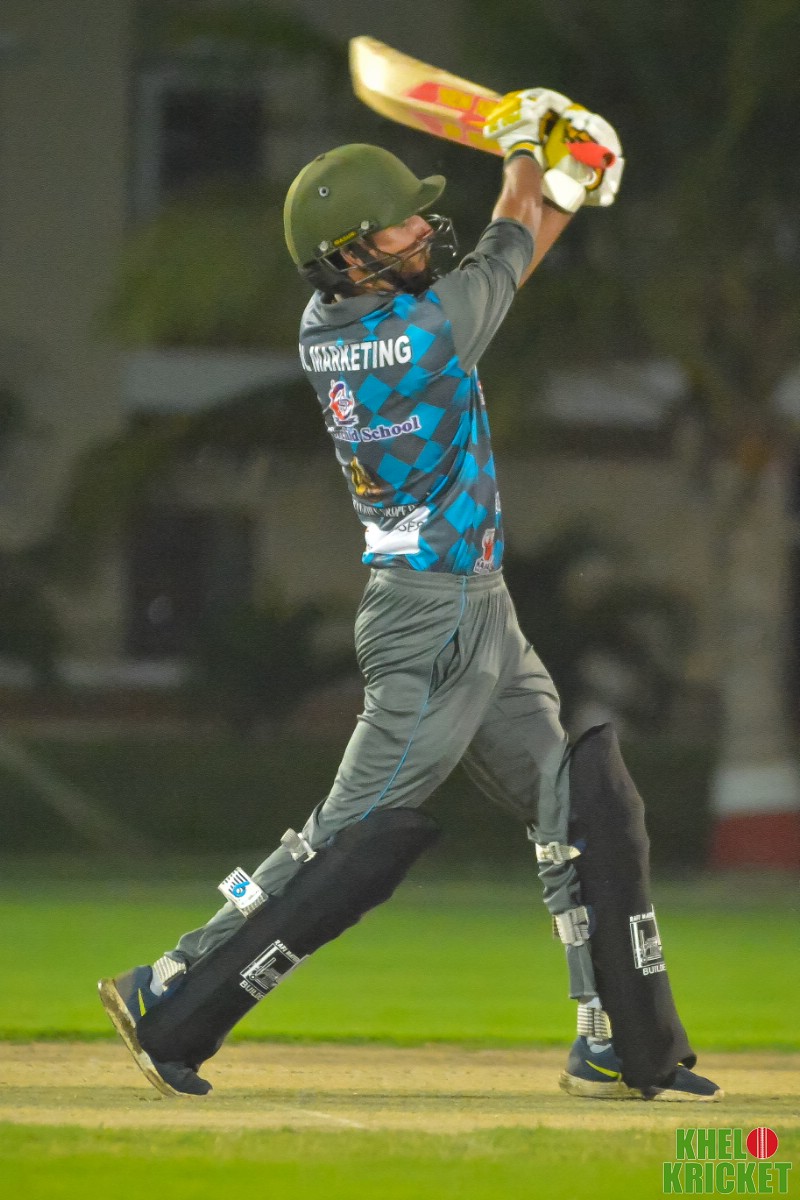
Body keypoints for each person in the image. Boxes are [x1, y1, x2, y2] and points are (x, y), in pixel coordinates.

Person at [99, 89, 721, 1103]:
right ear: (351, 257)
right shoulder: (414, 339)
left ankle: (609, 1035)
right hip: (430, 624)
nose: (422, 229)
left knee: (572, 807)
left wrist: (566, 176)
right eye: (398, 224)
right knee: (344, 842)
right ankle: (167, 986)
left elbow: (506, 256)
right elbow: (507, 246)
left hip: (474, 606)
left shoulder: (337, 322)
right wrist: (531, 158)